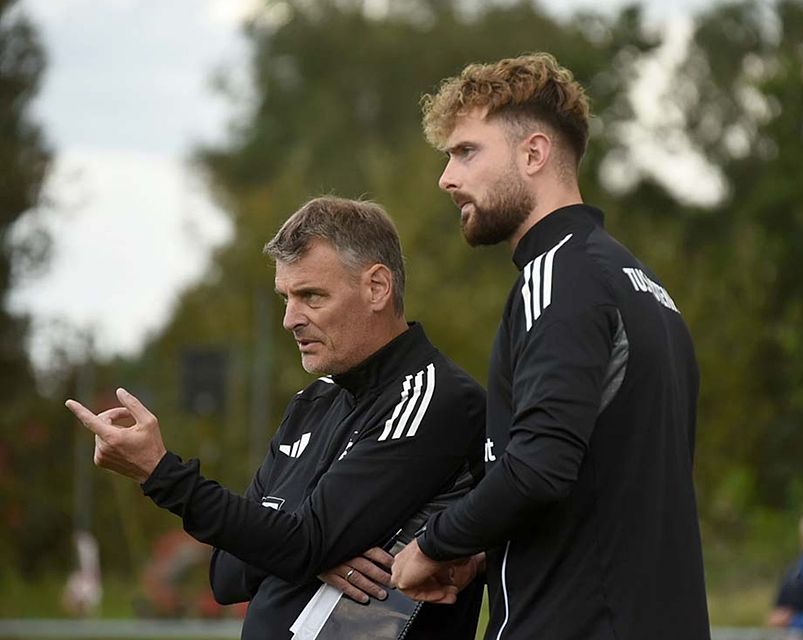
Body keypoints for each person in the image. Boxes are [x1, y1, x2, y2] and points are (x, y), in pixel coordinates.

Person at [391, 53, 711, 639]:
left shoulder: (558, 276)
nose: (447, 178)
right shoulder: (644, 286)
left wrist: (434, 543)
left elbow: (539, 468)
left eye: (466, 152)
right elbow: (604, 486)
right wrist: (483, 550)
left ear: (533, 154)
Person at [66, 196, 485, 639]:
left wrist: (160, 472)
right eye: (286, 297)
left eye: (311, 296)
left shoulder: (433, 397)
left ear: (377, 288)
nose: (290, 319)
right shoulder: (312, 403)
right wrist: (309, 554)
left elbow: (299, 543)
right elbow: (227, 574)